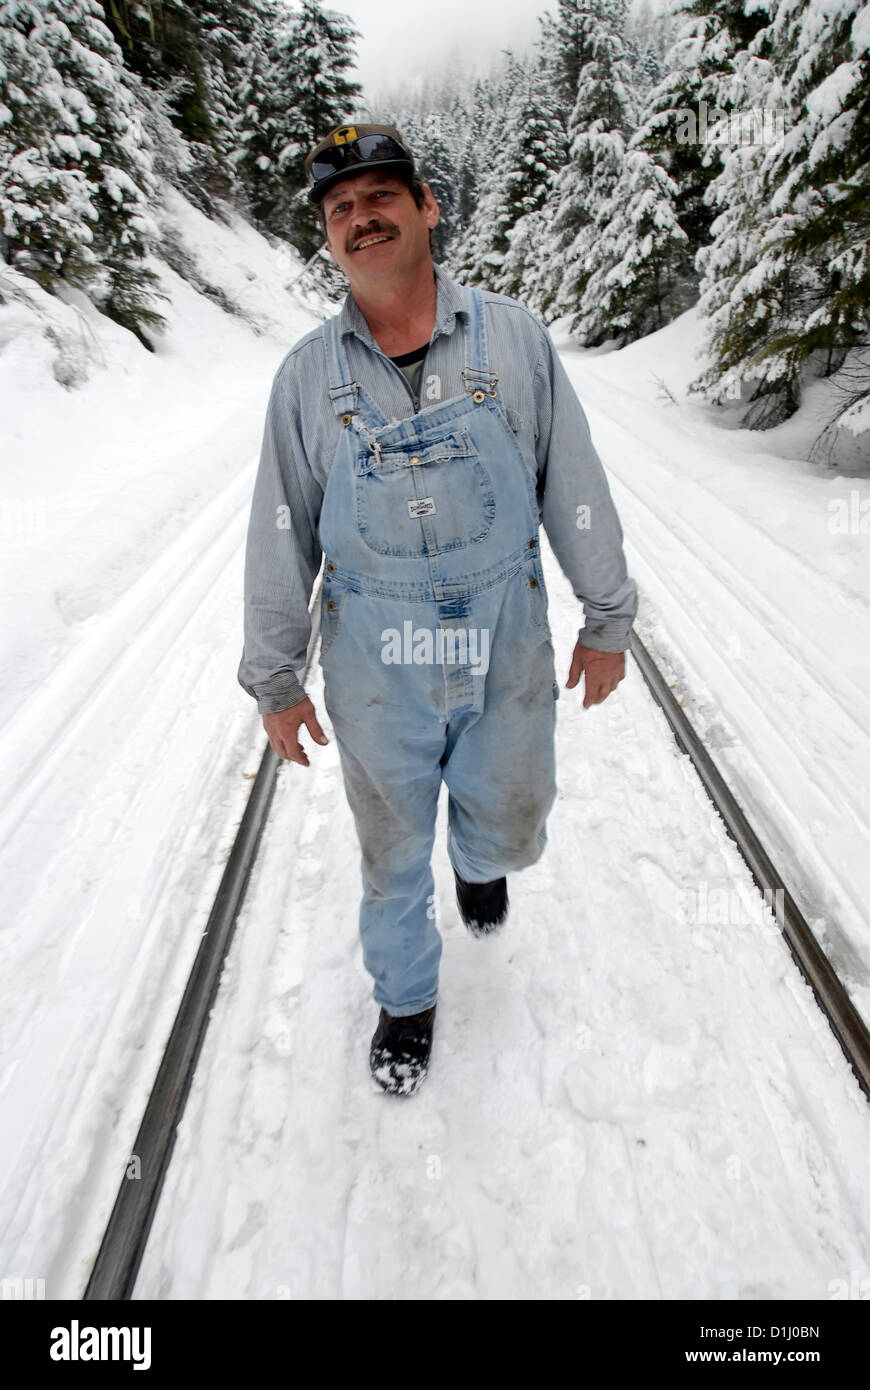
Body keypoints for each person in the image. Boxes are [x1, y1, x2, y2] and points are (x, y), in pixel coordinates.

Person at [238, 123, 638, 1097]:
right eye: (340, 209)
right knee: (388, 842)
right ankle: (407, 998)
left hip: (506, 632)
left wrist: (607, 614)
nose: (360, 218)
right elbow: (280, 528)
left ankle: (481, 857)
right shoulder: (302, 379)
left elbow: (571, 482)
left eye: (380, 196)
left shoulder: (516, 339)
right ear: (329, 239)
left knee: (508, 797)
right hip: (377, 652)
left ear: (427, 206)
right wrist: (275, 676)